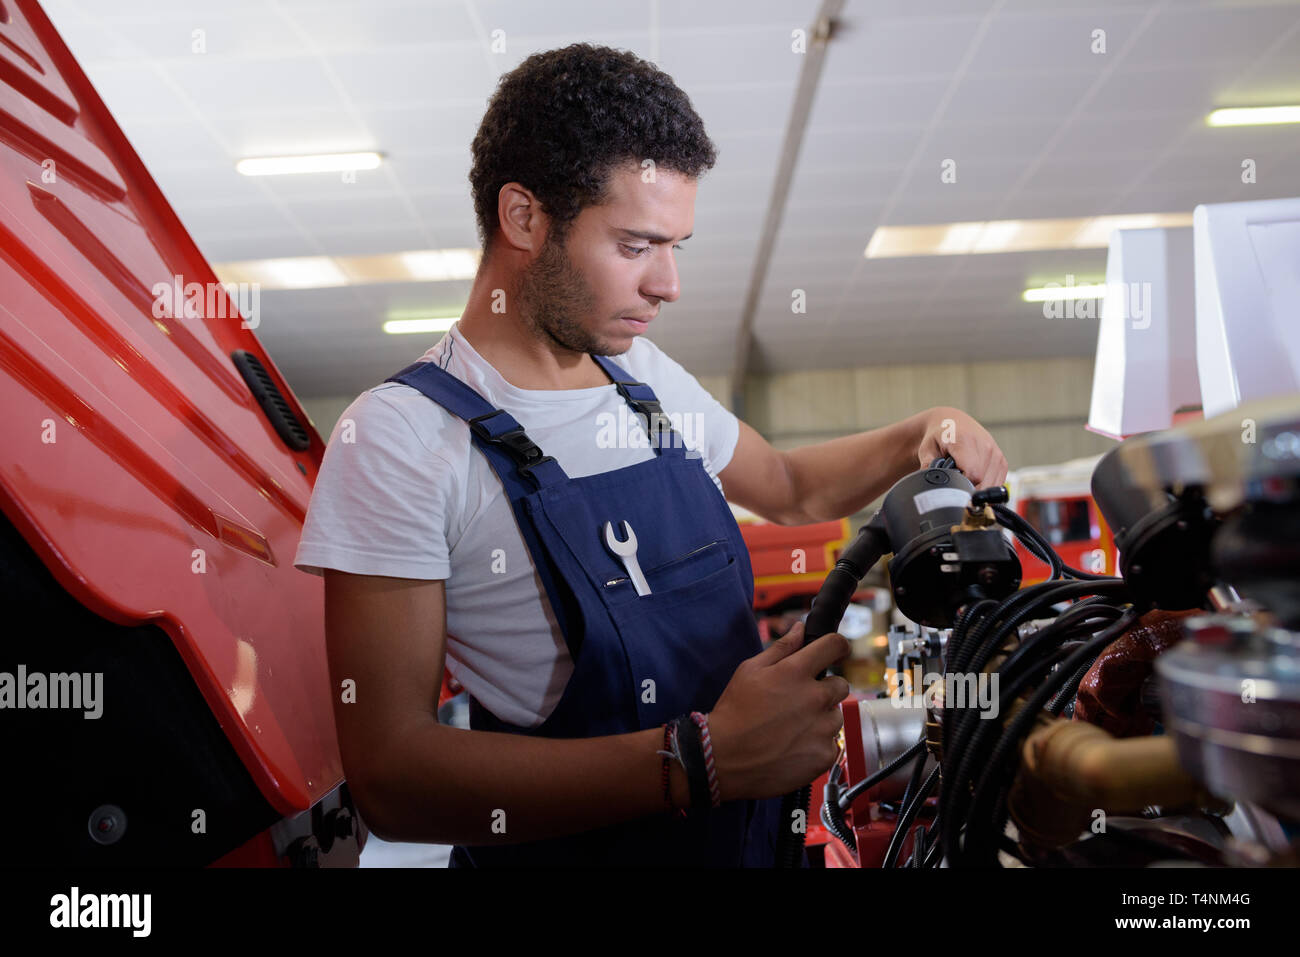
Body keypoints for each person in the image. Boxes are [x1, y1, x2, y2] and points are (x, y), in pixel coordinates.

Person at [293, 43, 1009, 867]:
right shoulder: (400, 437)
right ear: (523, 216)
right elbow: (393, 776)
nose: (668, 283)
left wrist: (925, 427)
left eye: (677, 245)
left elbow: (787, 486)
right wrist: (693, 761)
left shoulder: (640, 378)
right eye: (635, 246)